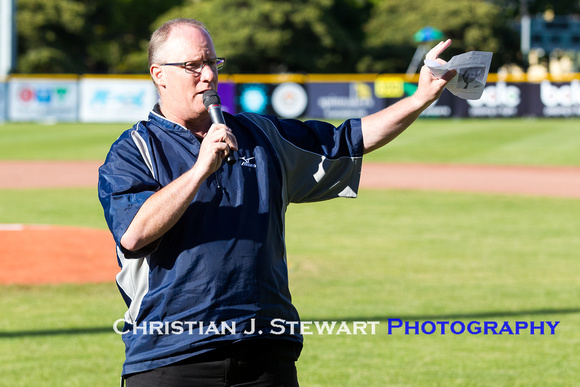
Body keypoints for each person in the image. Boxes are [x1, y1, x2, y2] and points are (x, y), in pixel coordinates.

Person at [98, 18, 456, 387]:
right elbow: (133, 234)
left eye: (213, 64)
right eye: (193, 66)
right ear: (159, 74)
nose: (208, 76)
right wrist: (199, 170)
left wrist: (420, 98)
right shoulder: (134, 150)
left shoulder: (261, 135)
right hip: (171, 357)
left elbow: (348, 139)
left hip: (265, 351)